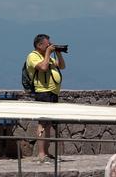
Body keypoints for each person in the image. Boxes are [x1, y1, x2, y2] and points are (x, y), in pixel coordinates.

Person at [26, 34, 66, 163]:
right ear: (39, 45)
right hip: (42, 92)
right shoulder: (33, 56)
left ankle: (47, 153)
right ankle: (41, 154)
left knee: (49, 125)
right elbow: (43, 68)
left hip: (53, 93)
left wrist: (58, 53)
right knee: (43, 124)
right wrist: (49, 53)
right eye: (47, 44)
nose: (49, 46)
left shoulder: (47, 56)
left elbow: (62, 66)